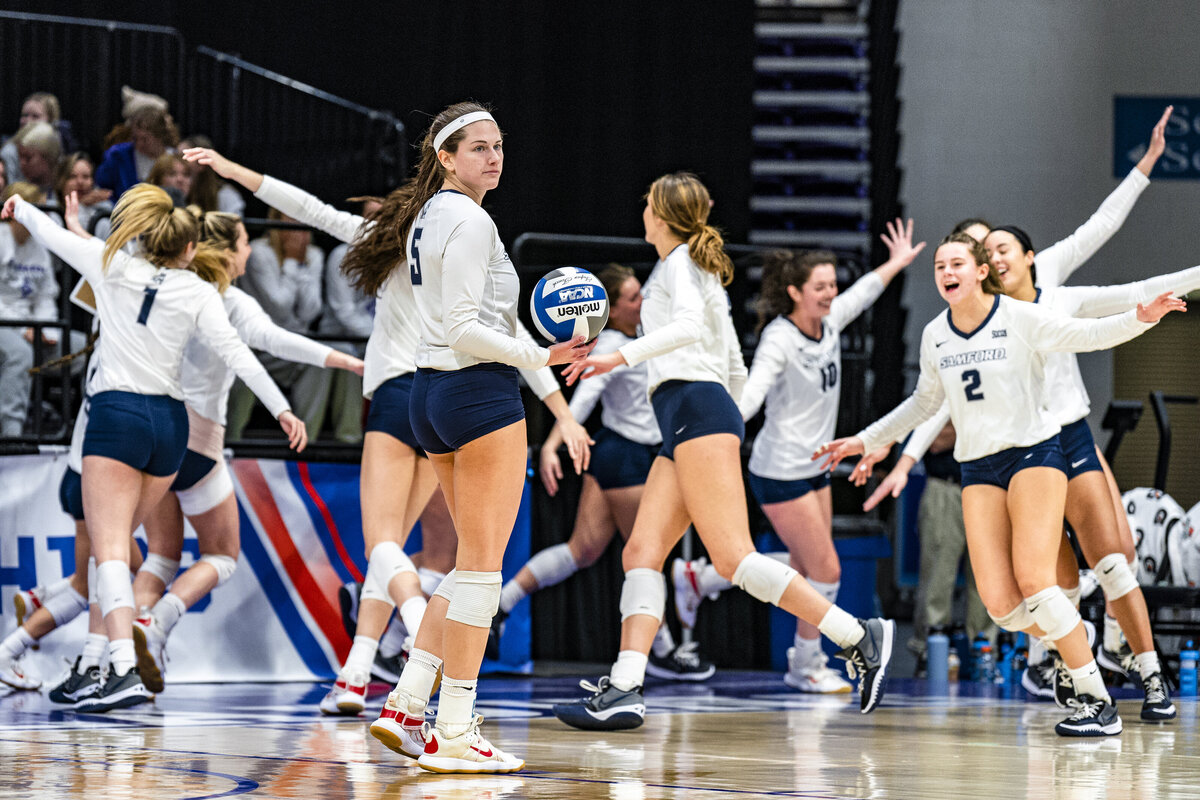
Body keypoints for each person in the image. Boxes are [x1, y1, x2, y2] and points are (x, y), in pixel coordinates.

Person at [183, 141, 586, 727]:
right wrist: (563, 410)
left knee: (385, 546)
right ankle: (368, 665)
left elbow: (307, 208)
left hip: (406, 396)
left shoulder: (392, 240)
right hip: (449, 393)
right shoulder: (450, 241)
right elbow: (514, 332)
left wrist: (232, 170)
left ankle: (392, 650)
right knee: (421, 550)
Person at [551, 172, 897, 734]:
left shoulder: (680, 264)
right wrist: (728, 417)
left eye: (647, 203)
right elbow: (734, 358)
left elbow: (688, 330)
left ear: (660, 215)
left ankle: (857, 636)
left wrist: (620, 359)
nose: (641, 209)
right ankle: (625, 686)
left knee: (733, 559)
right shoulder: (695, 266)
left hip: (694, 410)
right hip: (695, 416)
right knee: (640, 551)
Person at [815, 232, 1184, 736]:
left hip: (1035, 456)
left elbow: (1086, 335)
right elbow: (924, 404)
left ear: (981, 270)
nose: (946, 271)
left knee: (1038, 580)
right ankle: (1076, 633)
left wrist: (1138, 319)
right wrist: (866, 439)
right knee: (1003, 607)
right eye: (940, 265)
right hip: (978, 469)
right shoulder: (935, 335)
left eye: (957, 263)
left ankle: (1096, 701)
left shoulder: (1019, 316)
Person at [324, 100, 592, 774]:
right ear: (444, 157)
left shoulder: (428, 216)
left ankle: (408, 703)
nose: (494, 157)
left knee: (464, 565)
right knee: (480, 572)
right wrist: (543, 361)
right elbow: (468, 327)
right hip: (476, 391)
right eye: (478, 147)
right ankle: (454, 728)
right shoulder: (469, 221)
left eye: (499, 145)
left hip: (428, 394)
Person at [1, 184, 306, 712]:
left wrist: (19, 206)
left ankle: (121, 666)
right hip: (171, 423)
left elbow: (49, 237)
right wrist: (281, 408)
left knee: (111, 549)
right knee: (111, 550)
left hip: (118, 417)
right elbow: (239, 354)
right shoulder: (197, 291)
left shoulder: (110, 263)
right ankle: (95, 662)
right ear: (189, 249)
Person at [727, 222, 922, 693]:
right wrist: (722, 425)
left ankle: (701, 580)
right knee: (827, 570)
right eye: (821, 287)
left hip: (816, 469)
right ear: (795, 292)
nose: (831, 293)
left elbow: (865, 292)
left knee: (799, 566)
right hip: (779, 471)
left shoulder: (830, 322)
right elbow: (752, 394)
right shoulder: (780, 337)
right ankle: (806, 663)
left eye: (833, 284)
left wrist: (895, 262)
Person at [496, 264, 713, 680]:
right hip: (628, 457)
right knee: (649, 557)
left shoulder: (639, 336)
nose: (642, 302)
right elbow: (584, 395)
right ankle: (662, 653)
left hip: (616, 454)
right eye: (632, 298)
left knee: (583, 550)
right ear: (609, 310)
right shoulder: (612, 343)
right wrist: (553, 446)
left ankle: (500, 605)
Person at [225, 207, 330, 439]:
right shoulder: (260, 252)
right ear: (277, 224)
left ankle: (306, 441)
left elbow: (311, 311)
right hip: (256, 346)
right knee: (243, 368)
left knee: (321, 361)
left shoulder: (314, 255)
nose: (298, 230)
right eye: (291, 220)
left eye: (303, 221)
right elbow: (279, 307)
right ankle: (233, 442)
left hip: (288, 343)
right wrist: (293, 262)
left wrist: (301, 267)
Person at [0, 182, 60, 437]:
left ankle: (59, 422)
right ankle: (12, 432)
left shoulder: (40, 247)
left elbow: (46, 296)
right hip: (5, 323)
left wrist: (46, 330)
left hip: (32, 326)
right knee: (21, 356)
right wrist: (25, 329)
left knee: (79, 352)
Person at [95, 107, 180, 199]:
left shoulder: (174, 158)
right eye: (135, 138)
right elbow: (101, 188)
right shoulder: (118, 155)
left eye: (145, 139)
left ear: (159, 136)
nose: (139, 144)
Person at [179, 135, 245, 215]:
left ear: (201, 164)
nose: (177, 162)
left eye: (183, 156)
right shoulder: (174, 188)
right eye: (175, 156)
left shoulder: (226, 196)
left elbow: (234, 226)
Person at [55, 153, 112, 233]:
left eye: (86, 177)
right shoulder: (51, 211)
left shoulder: (103, 213)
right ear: (61, 182)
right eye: (73, 176)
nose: (80, 182)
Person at [8, 123, 62, 203]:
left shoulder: (64, 191)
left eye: (28, 157)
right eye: (20, 156)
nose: (22, 163)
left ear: (48, 157)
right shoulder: (15, 191)